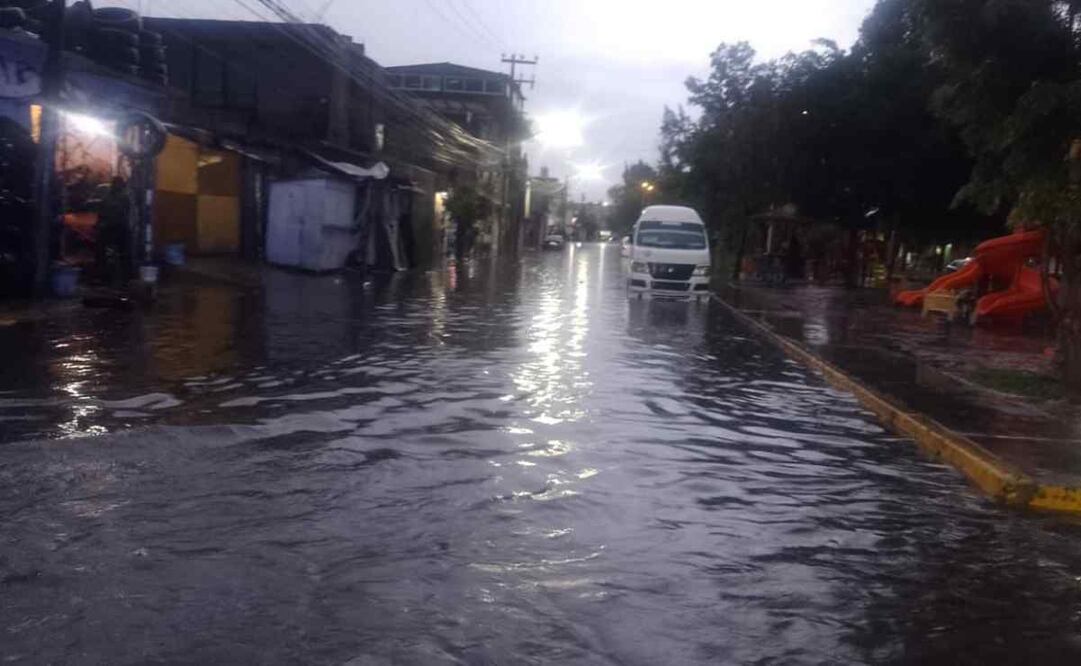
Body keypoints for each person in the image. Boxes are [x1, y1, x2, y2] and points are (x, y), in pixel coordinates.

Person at [95, 176, 130, 283]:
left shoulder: (123, 197)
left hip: (117, 228)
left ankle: (121, 277)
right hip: (113, 228)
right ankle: (108, 277)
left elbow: (118, 213)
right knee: (103, 251)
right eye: (114, 183)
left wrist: (102, 222)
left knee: (120, 253)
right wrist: (100, 222)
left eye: (116, 183)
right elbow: (102, 211)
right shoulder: (111, 196)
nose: (115, 185)